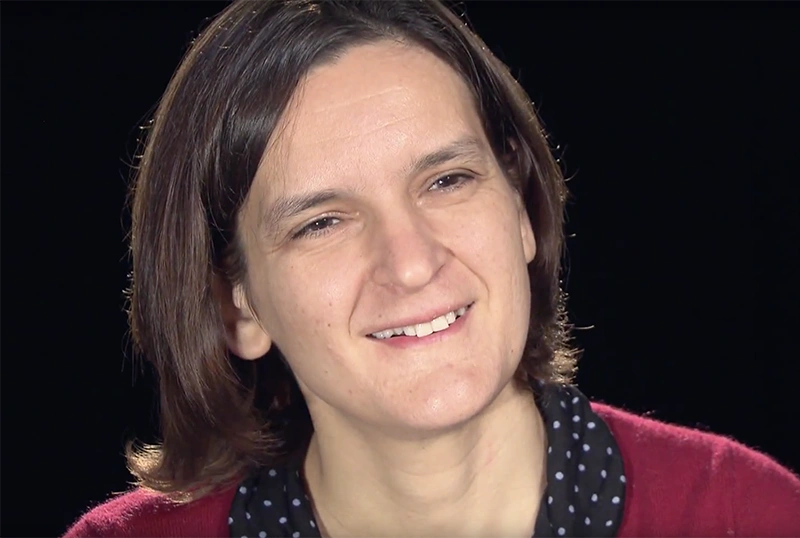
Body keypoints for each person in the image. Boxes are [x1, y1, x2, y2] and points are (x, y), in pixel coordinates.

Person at [64, 1, 800, 537]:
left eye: (446, 180)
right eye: (322, 222)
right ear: (235, 304)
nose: (411, 264)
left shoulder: (750, 517)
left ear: (520, 207)